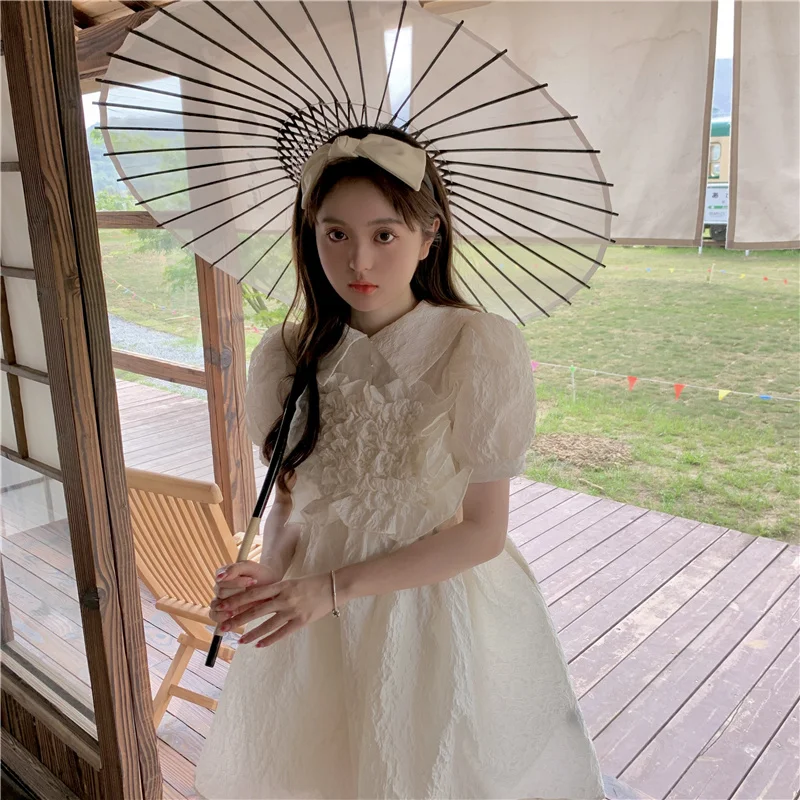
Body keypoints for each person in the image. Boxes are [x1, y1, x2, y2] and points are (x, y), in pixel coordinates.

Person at [193, 125, 605, 800]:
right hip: (313, 619)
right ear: (310, 234)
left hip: (430, 610)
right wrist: (268, 570)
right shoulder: (289, 354)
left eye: (385, 234)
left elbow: (483, 532)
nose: (359, 260)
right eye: (335, 234)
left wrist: (331, 589)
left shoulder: (476, 346)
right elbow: (293, 501)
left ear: (429, 233)